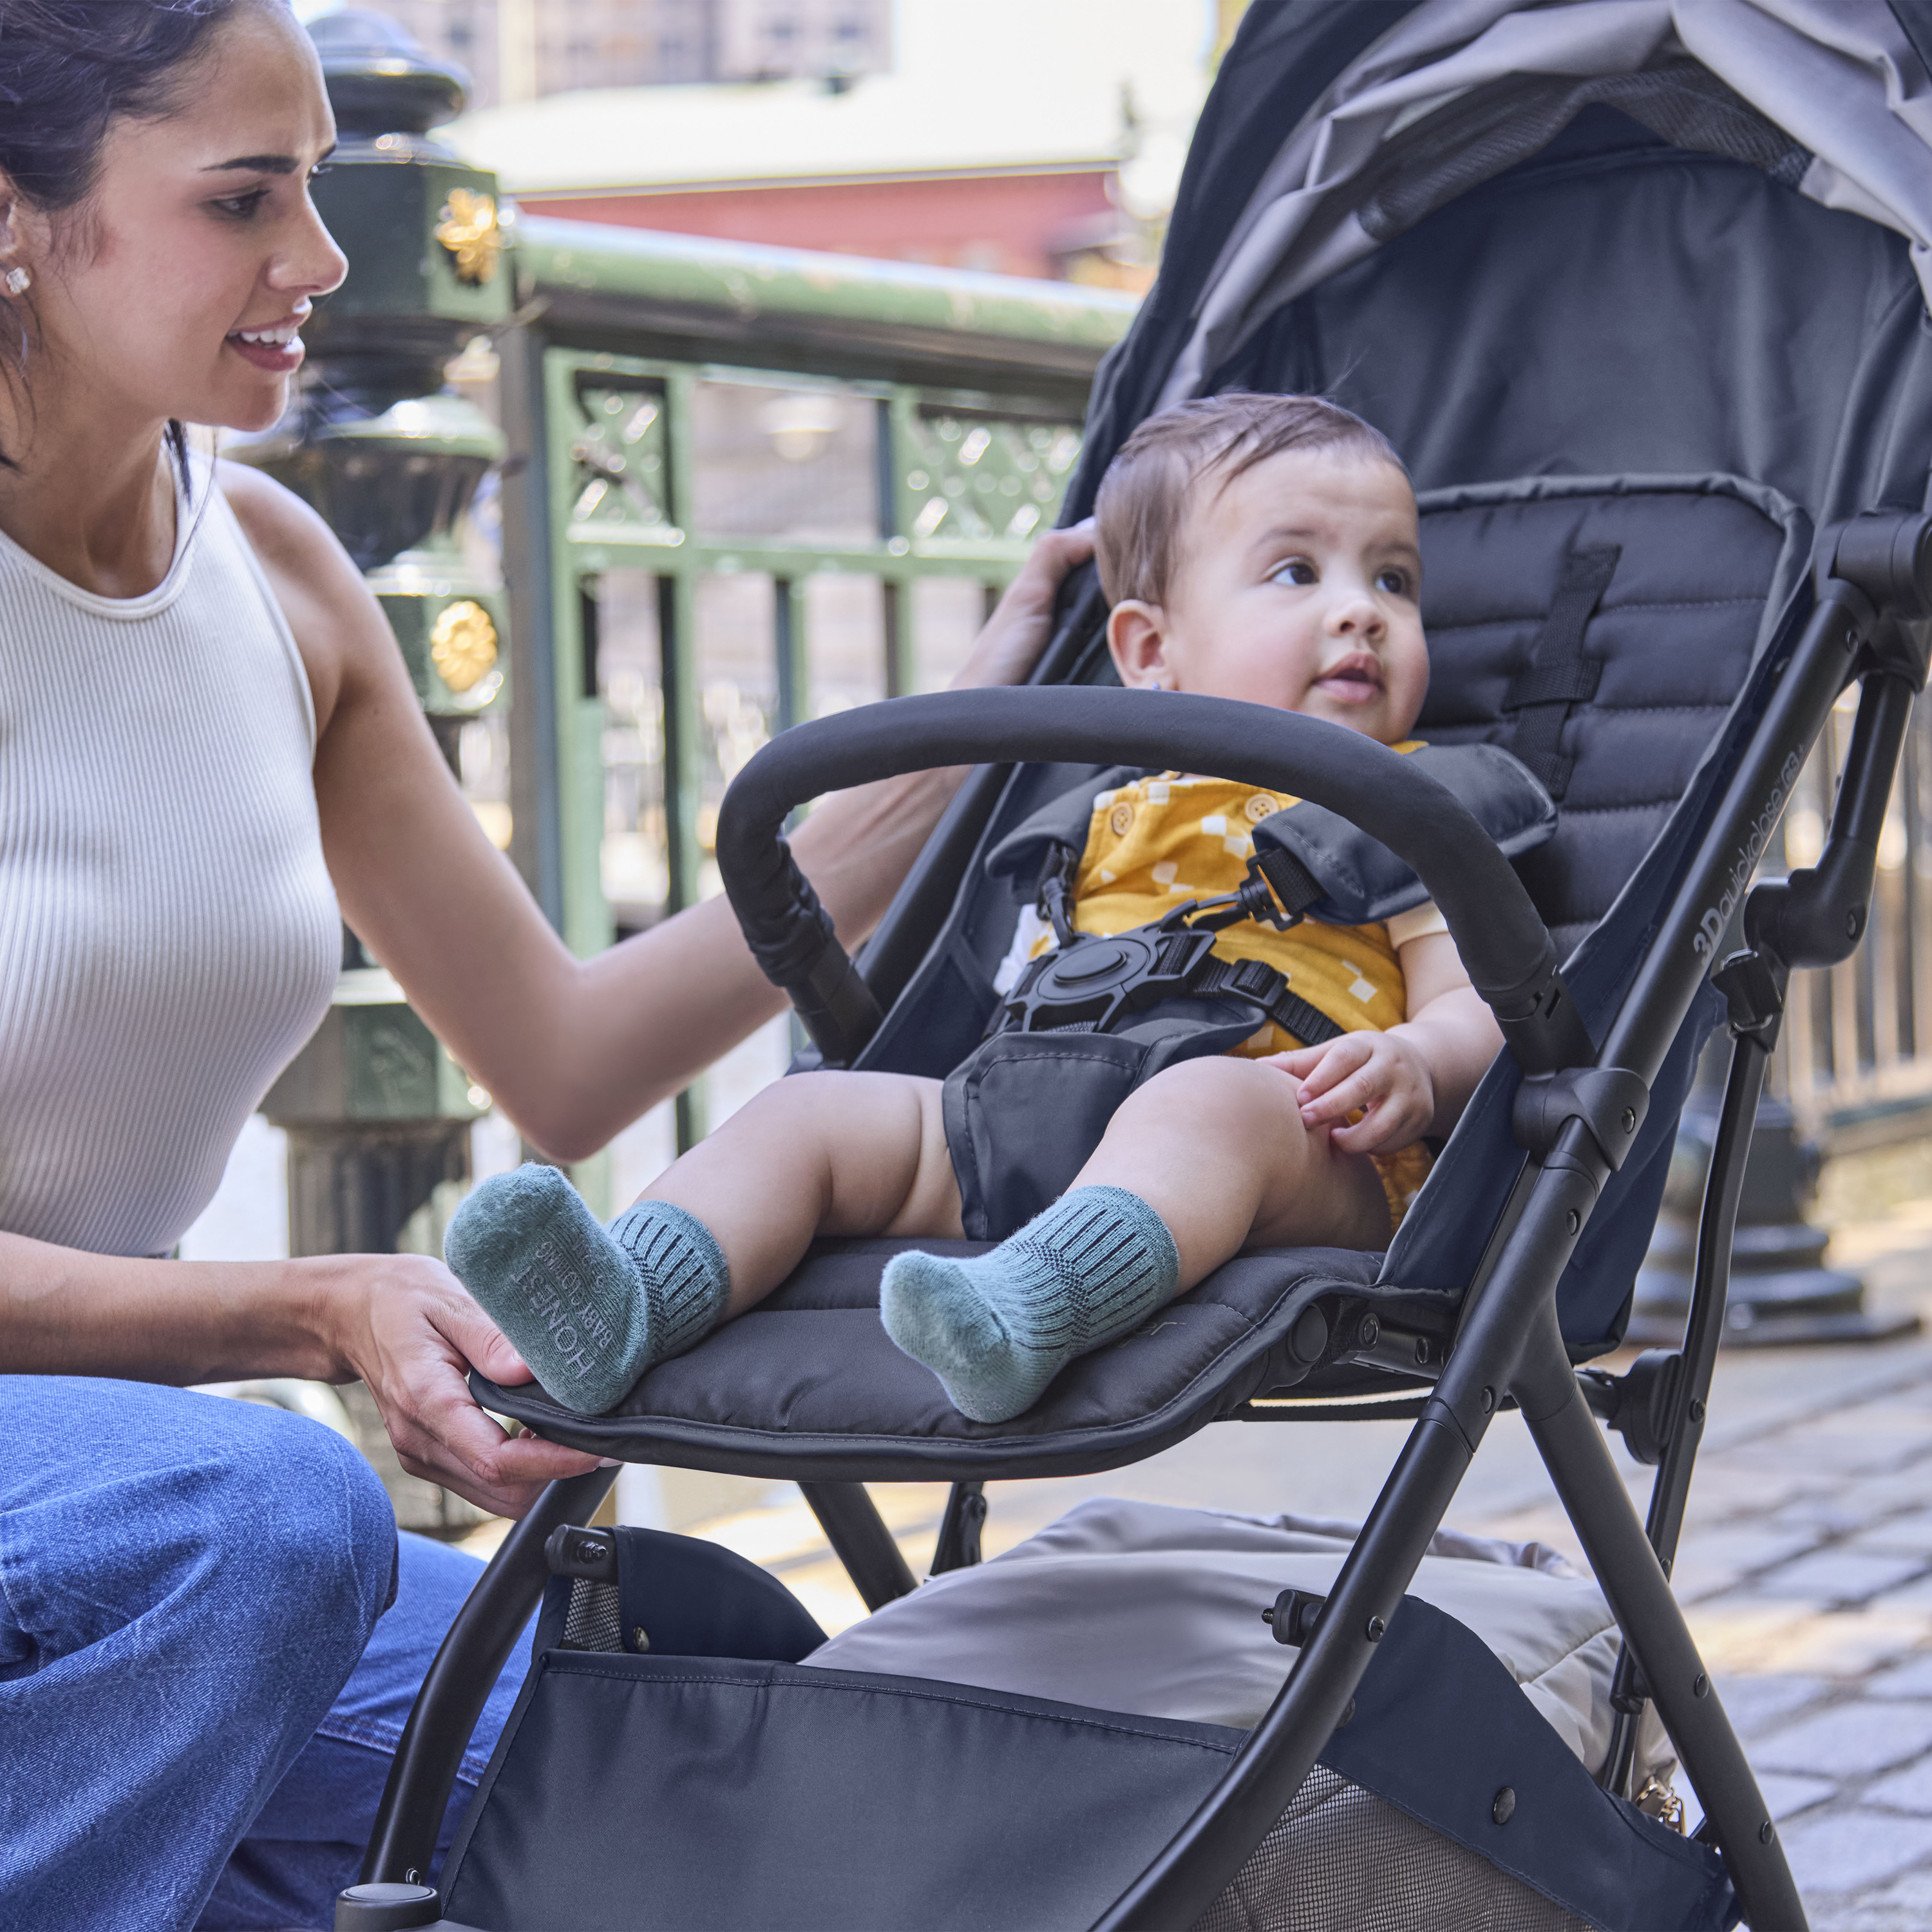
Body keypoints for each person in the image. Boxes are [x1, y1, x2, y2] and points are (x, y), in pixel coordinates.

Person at [0, 3, 1089, 1925]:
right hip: (165, 1507)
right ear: (16, 219)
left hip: (101, 1508)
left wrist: (971, 737)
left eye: (317, 185)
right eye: (243, 200)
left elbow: (570, 1054)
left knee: (685, 1705)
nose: (320, 259)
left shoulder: (278, 574)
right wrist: (316, 1309)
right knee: (271, 1514)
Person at [448, 394, 1505, 1428]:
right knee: (810, 1113)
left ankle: (1026, 1313)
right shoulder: (1097, 808)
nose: (1363, 610)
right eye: (1296, 572)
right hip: (1039, 1111)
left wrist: (1416, 1060)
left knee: (1207, 1105)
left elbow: (1480, 1006)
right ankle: (624, 1299)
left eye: (1394, 579)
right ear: (1148, 651)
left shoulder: (1405, 802)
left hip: (1305, 1141)